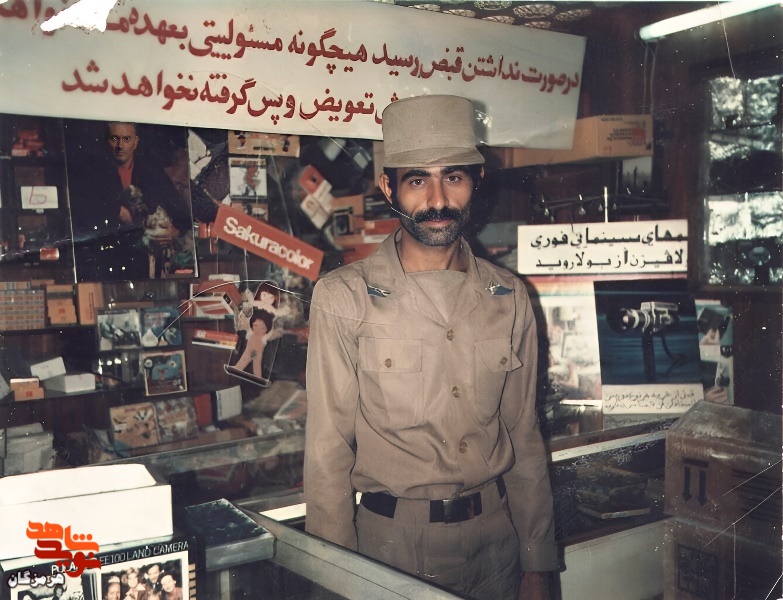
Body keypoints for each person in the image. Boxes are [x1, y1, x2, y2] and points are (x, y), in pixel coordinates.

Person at [304, 95, 558, 600]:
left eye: (454, 177)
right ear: (389, 188)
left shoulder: (509, 296)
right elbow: (327, 451)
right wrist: (337, 580)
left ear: (476, 180)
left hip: (498, 546)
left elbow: (524, 436)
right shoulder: (344, 297)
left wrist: (538, 561)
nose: (438, 200)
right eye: (418, 180)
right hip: (391, 553)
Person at [67, 121, 192, 280]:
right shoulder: (91, 172)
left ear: (136, 142)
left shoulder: (151, 172)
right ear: (106, 140)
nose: (120, 146)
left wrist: (171, 233)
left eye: (126, 139)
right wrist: (116, 211)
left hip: (145, 263)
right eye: (114, 139)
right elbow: (80, 215)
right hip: (105, 261)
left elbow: (182, 215)